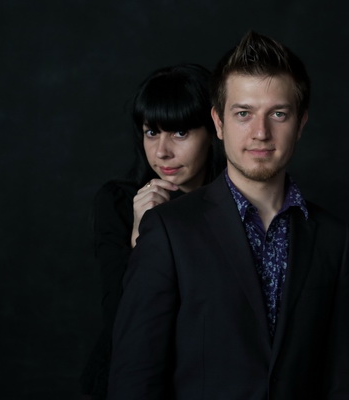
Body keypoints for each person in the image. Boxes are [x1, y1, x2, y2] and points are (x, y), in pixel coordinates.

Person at [108, 31, 349, 400]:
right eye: (243, 114)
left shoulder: (333, 237)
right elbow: (135, 378)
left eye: (278, 114)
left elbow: (341, 380)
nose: (260, 133)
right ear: (219, 123)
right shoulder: (168, 229)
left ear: (301, 124)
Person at [80, 64, 225, 399]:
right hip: (130, 378)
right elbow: (120, 317)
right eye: (151, 132)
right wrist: (140, 235)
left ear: (214, 130)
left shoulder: (235, 210)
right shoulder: (119, 202)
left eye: (180, 133)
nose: (162, 151)